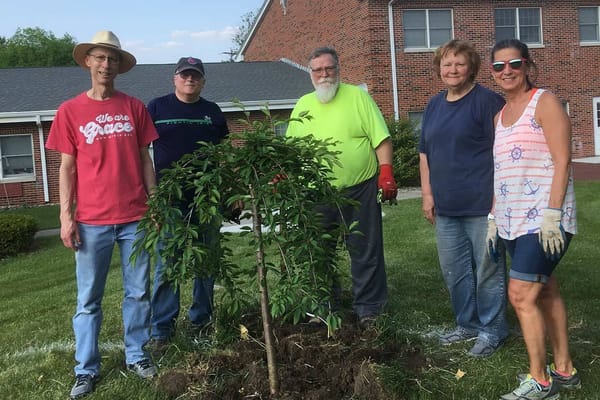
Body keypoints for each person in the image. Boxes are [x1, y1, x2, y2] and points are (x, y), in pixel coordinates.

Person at [45, 31, 158, 399]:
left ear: (118, 66)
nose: (106, 64)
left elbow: (145, 160)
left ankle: (137, 355)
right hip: (91, 221)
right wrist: (66, 216)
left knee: (139, 292)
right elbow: (66, 168)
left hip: (135, 218)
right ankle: (86, 369)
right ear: (87, 62)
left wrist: (154, 204)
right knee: (88, 300)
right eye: (99, 58)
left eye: (112, 59)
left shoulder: (134, 108)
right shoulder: (70, 111)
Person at [489, 39, 580, 400]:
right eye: (499, 66)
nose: (507, 71)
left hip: (544, 220)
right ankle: (565, 369)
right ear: (492, 73)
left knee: (520, 294)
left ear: (526, 65)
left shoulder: (545, 102)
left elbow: (563, 160)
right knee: (546, 290)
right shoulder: (499, 116)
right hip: (512, 221)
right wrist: (494, 217)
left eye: (514, 63)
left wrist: (553, 215)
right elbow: (502, 171)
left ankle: (540, 381)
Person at [286, 46, 397, 326]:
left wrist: (386, 172)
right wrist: (282, 173)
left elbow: (381, 139)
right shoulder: (302, 105)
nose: (324, 74)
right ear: (310, 73)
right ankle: (323, 307)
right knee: (317, 251)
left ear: (338, 69)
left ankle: (369, 309)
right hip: (314, 192)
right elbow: (289, 150)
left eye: (329, 68)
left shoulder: (358, 97)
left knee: (365, 247)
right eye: (318, 69)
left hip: (359, 188)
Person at [419, 39, 509, 357]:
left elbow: (505, 154)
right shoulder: (433, 105)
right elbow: (425, 154)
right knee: (455, 271)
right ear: (439, 69)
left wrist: (500, 202)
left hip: (482, 204)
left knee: (488, 270)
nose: (452, 69)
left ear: (471, 67)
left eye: (459, 63)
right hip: (445, 207)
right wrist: (427, 195)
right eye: (446, 64)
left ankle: (493, 330)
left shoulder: (488, 103)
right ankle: (467, 325)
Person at [147, 57, 229, 349]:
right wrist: (153, 198)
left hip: (205, 200)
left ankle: (201, 321)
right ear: (175, 78)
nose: (189, 80)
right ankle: (161, 329)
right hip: (170, 200)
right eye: (185, 75)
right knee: (168, 264)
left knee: (205, 263)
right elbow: (142, 155)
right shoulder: (156, 108)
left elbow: (223, 156)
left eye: (195, 76)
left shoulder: (213, 112)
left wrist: (229, 193)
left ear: (203, 81)